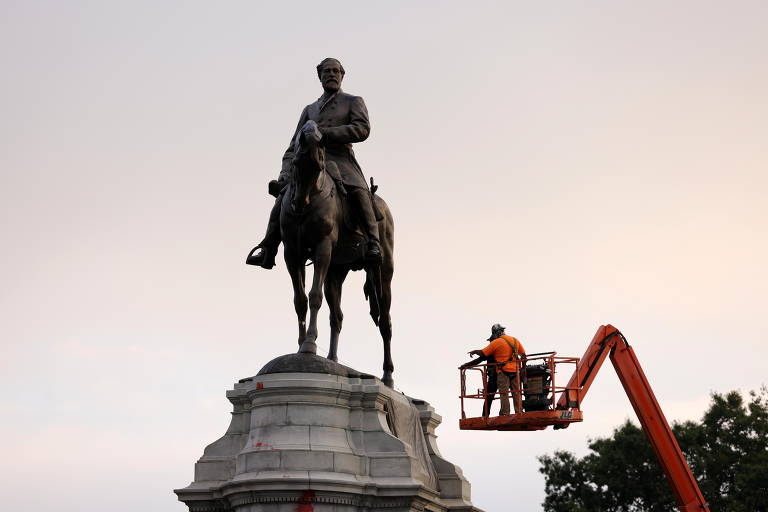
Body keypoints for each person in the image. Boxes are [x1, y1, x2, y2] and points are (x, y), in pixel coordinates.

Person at [247, 57, 382, 269]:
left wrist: (324, 134)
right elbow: (293, 145)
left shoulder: (353, 101)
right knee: (282, 200)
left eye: (336, 71)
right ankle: (268, 249)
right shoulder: (310, 109)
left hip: (342, 160)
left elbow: (362, 129)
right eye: (327, 71)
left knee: (359, 192)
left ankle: (373, 242)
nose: (331, 74)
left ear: (342, 75)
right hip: (310, 160)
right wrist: (285, 174)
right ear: (320, 77)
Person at [465, 323, 526, 415]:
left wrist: (473, 353)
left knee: (503, 394)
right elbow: (524, 356)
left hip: (502, 372)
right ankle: (519, 411)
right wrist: (523, 369)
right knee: (516, 393)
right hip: (515, 371)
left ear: (495, 333)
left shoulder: (496, 343)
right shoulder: (514, 340)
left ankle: (504, 413)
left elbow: (482, 354)